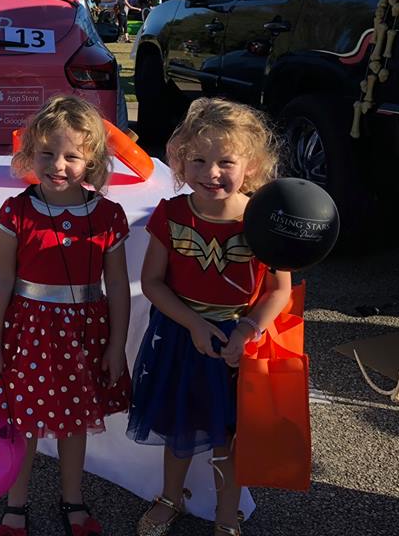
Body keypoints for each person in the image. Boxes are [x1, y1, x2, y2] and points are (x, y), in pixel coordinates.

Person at [0, 95, 132, 536]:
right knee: (23, 422)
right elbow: (0, 281)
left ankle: (72, 499)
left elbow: (117, 287)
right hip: (27, 333)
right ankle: (15, 503)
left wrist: (116, 346)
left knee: (75, 422)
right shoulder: (17, 211)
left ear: (91, 159)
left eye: (72, 155)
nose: (59, 165)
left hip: (83, 335)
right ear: (29, 154)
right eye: (48, 153)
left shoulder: (109, 216)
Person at [127, 98, 291, 536]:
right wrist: (194, 324)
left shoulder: (266, 221)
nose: (210, 172)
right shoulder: (172, 214)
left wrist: (246, 329)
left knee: (230, 436)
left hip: (239, 345)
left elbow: (280, 289)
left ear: (251, 164)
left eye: (225, 161)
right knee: (178, 425)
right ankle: (170, 497)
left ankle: (226, 514)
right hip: (182, 337)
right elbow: (154, 283)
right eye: (197, 160)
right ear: (180, 161)